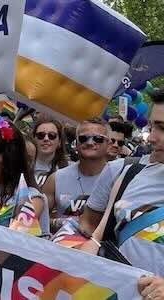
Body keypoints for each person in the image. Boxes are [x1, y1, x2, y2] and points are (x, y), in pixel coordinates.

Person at [74, 90, 163, 278]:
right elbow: (96, 237)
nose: (153, 138)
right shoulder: (130, 173)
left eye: (163, 128)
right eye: (153, 127)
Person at [42, 118, 109, 233]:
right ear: (76, 143)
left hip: (98, 248)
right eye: (83, 138)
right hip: (61, 246)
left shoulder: (118, 179)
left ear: (108, 143)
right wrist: (59, 223)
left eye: (98, 139)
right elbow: (37, 219)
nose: (90, 142)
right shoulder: (56, 178)